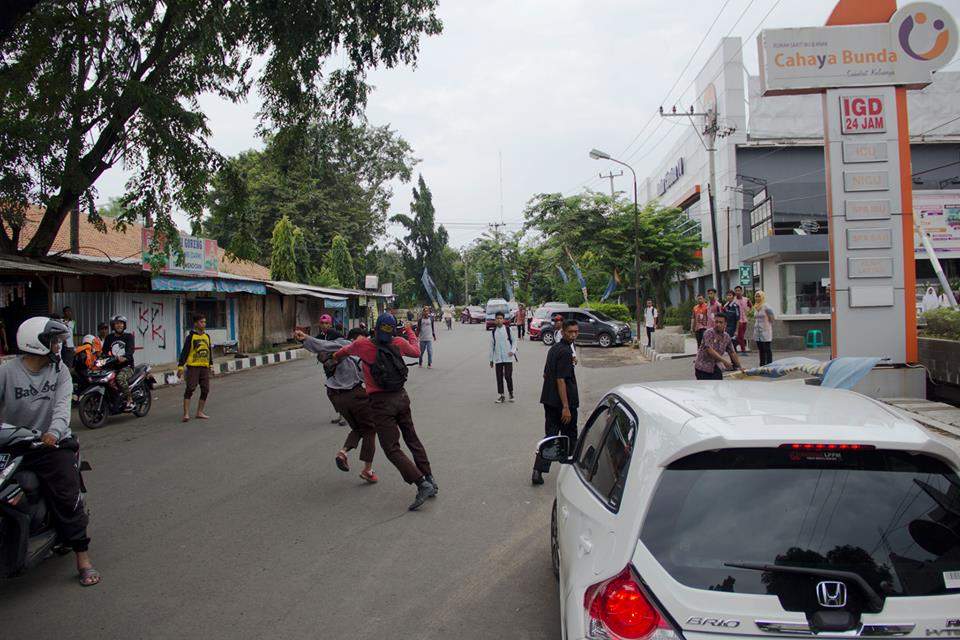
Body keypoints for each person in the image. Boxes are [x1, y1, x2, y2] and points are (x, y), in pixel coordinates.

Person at [0, 317, 100, 586]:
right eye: (53, 341)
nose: (58, 346)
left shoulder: (60, 372)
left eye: (58, 340)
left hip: (49, 445)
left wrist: (53, 433)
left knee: (67, 496)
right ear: (37, 342)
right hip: (11, 442)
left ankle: (83, 557)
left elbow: (61, 409)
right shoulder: (7, 372)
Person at [333, 313, 438, 510]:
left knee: (391, 448)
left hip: (381, 404)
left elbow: (341, 353)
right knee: (412, 439)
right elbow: (416, 352)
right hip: (401, 398)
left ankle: (421, 483)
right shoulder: (398, 342)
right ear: (393, 329)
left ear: (375, 327)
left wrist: (334, 358)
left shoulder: (362, 345)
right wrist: (409, 331)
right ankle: (430, 479)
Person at [295, 327, 379, 484]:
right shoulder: (344, 344)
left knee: (358, 428)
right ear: (353, 338)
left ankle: (343, 452)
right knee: (370, 429)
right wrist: (305, 338)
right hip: (353, 394)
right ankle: (367, 470)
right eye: (362, 338)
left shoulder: (360, 353)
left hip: (336, 396)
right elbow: (322, 345)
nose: (365, 341)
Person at [533, 319, 580, 485]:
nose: (573, 335)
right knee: (570, 437)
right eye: (570, 332)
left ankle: (538, 471)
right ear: (564, 332)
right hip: (562, 404)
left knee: (551, 437)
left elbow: (546, 374)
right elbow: (561, 380)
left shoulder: (554, 349)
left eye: (576, 331)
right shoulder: (565, 352)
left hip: (549, 400)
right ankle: (574, 472)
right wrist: (566, 407)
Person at [178, 313, 213, 422]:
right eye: (201, 322)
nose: (204, 324)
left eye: (205, 322)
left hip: (204, 367)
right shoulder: (191, 337)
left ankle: (199, 412)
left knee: (205, 390)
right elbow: (184, 352)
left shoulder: (207, 336)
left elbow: (209, 352)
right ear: (196, 324)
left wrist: (211, 365)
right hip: (193, 367)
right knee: (190, 389)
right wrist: (180, 366)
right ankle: (186, 414)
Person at [315, 314, 345, 426]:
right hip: (328, 368)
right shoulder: (319, 337)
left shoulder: (336, 335)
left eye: (326, 323)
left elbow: (344, 346)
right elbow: (312, 344)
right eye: (322, 323)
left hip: (339, 367)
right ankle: (341, 413)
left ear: (330, 324)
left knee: (341, 392)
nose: (324, 325)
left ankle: (345, 416)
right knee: (331, 392)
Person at [694, 314, 743, 380]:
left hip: (714, 366)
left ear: (725, 324)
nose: (718, 324)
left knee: (718, 386)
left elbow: (732, 352)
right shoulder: (708, 333)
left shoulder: (726, 337)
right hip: (702, 367)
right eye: (716, 322)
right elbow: (710, 351)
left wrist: (740, 367)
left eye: (720, 322)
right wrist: (724, 361)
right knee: (706, 388)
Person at [101, 314, 135, 410]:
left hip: (127, 366)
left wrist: (124, 358)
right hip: (112, 366)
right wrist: (99, 358)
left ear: (124, 325)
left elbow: (130, 351)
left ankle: (129, 399)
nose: (119, 325)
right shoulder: (109, 338)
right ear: (113, 326)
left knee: (120, 378)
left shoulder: (129, 337)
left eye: (121, 323)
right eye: (116, 324)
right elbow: (104, 352)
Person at [490, 311, 517, 403]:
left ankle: (511, 392)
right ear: (495, 320)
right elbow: (492, 346)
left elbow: (514, 341)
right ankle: (501, 395)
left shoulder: (508, 330)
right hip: (498, 358)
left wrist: (512, 351)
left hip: (508, 357)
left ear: (503, 320)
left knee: (508, 376)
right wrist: (491, 360)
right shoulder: (493, 332)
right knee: (499, 377)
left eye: (501, 318)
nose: (499, 320)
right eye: (497, 318)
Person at [753, 290, 776, 366]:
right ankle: (762, 364)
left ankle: (769, 364)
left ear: (762, 297)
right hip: (757, 331)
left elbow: (772, 318)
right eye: (756, 296)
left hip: (765, 330)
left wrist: (767, 325)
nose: (757, 298)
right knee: (761, 349)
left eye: (759, 296)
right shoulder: (756, 306)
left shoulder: (766, 306)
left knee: (767, 348)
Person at [733, 286, 752, 353]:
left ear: (742, 291)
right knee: (739, 335)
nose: (737, 292)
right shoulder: (734, 301)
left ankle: (737, 347)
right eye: (736, 291)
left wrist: (748, 313)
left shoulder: (746, 299)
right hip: (738, 321)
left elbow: (751, 307)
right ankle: (743, 349)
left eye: (739, 290)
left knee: (741, 335)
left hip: (745, 320)